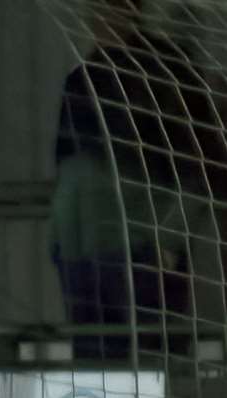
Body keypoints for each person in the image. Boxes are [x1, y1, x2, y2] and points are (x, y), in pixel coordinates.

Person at [51, 0, 227, 359]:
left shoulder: (165, 71)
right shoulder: (83, 79)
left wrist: (168, 243)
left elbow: (202, 166)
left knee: (150, 366)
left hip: (140, 254)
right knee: (97, 365)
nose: (99, 17)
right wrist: (61, 245)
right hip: (88, 258)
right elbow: (68, 173)